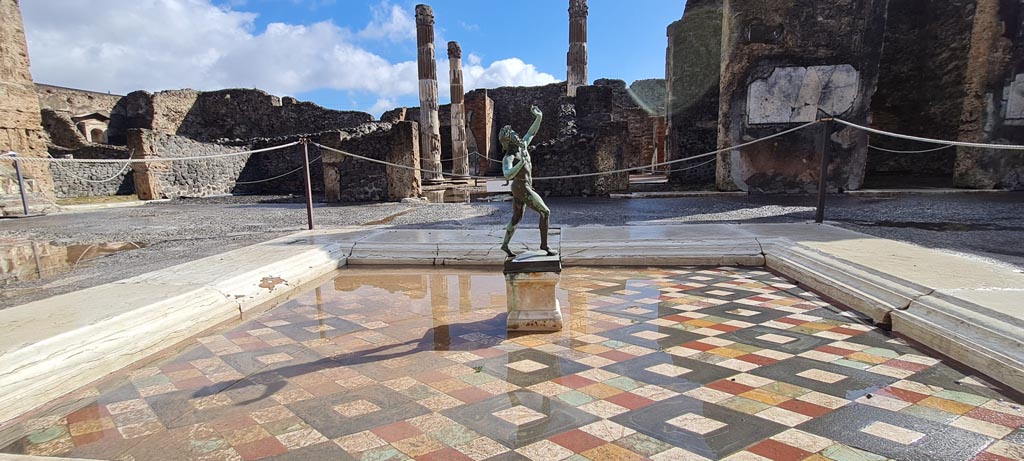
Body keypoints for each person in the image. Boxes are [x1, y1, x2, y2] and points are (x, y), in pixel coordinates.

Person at [500, 105, 556, 258]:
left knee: (517, 217)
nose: (517, 136)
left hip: (522, 187)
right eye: (513, 135)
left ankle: (505, 245)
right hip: (521, 187)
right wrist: (521, 164)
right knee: (545, 212)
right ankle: (544, 245)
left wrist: (539, 117)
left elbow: (532, 132)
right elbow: (507, 174)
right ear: (509, 141)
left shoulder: (522, 146)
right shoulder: (509, 157)